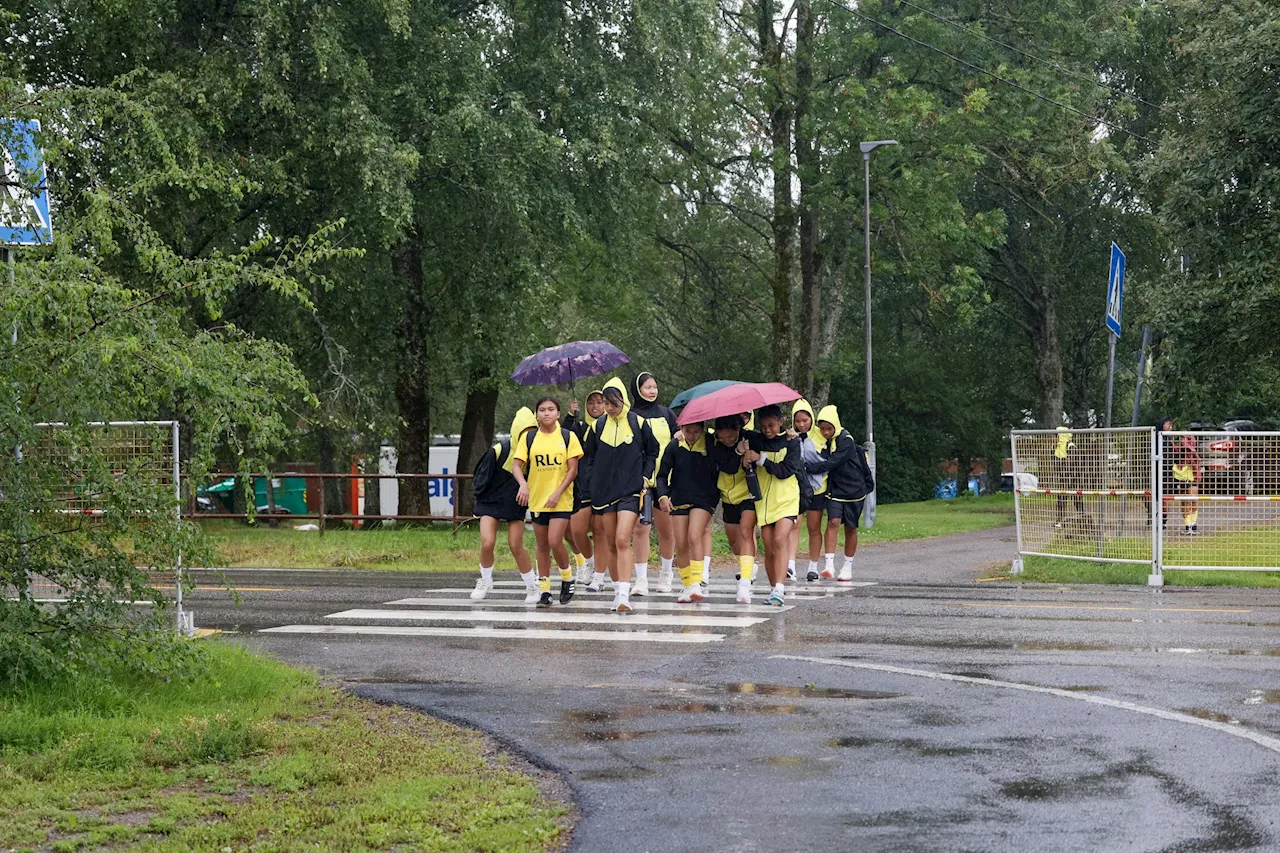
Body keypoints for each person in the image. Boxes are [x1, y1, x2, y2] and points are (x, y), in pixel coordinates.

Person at [583, 384, 660, 613]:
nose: (609, 407)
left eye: (613, 402)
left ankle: (625, 596)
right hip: (604, 494)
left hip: (631, 491)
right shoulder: (597, 426)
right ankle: (617, 591)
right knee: (610, 543)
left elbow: (653, 451)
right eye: (606, 403)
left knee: (622, 539)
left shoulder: (638, 423)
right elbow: (589, 458)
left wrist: (645, 476)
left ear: (623, 400)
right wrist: (592, 483)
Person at [512, 397, 583, 608]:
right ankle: (544, 590)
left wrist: (558, 492)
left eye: (551, 409)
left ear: (558, 414)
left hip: (561, 499)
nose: (546, 413)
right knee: (542, 545)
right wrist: (523, 484)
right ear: (536, 415)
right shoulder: (530, 438)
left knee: (554, 540)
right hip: (537, 498)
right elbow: (517, 465)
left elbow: (573, 470)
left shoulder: (567, 436)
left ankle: (567, 577)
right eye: (542, 410)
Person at [470, 407, 538, 602]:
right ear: (517, 431)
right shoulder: (500, 450)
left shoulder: (534, 456)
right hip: (490, 502)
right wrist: (480, 501)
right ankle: (485, 580)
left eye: (532, 432)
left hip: (515, 504)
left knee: (516, 545)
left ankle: (532, 587)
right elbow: (481, 477)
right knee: (487, 542)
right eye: (525, 432)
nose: (528, 437)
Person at [807, 405, 874, 582]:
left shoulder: (846, 441)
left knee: (851, 527)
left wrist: (810, 468)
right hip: (835, 489)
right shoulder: (827, 440)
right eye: (822, 429)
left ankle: (848, 566)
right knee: (833, 521)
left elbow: (832, 463)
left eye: (829, 428)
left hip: (854, 490)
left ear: (836, 425)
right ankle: (829, 565)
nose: (826, 432)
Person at [655, 419, 719, 603]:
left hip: (704, 500)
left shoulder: (711, 443)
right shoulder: (675, 445)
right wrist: (663, 496)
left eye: (696, 431)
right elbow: (661, 475)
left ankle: (697, 582)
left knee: (694, 536)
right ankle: (687, 585)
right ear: (681, 429)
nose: (692, 435)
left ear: (703, 430)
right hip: (679, 500)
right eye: (688, 431)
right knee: (681, 544)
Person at [631, 372, 679, 594]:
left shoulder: (666, 413)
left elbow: (678, 439)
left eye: (654, 387)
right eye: (647, 387)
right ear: (637, 390)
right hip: (641, 481)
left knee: (666, 530)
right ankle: (641, 579)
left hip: (665, 480)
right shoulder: (631, 416)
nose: (652, 391)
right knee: (640, 528)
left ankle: (666, 573)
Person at [710, 415, 758, 603]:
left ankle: (745, 582)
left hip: (748, 494)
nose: (726, 441)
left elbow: (771, 443)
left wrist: (788, 437)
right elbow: (727, 467)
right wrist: (737, 453)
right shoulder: (714, 444)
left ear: (738, 429)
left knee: (746, 532)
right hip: (727, 497)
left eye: (730, 437)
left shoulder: (751, 438)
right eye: (722, 438)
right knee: (734, 542)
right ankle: (748, 565)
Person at [565, 391, 606, 585]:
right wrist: (570, 415)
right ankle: (589, 562)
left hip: (603, 486)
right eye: (591, 403)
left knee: (599, 532)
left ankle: (599, 574)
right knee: (577, 531)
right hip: (581, 485)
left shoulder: (609, 427)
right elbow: (562, 438)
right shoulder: (579, 427)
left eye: (599, 402)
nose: (595, 406)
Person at [788, 399, 828, 583]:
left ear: (811, 418)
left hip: (818, 488)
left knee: (814, 527)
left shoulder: (821, 435)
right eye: (798, 421)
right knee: (794, 526)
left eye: (805, 420)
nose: (802, 424)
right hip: (797, 488)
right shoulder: (789, 436)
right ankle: (790, 566)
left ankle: (813, 567)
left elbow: (827, 462)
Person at [1165, 423, 1202, 535]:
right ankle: (1187, 525)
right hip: (1181, 473)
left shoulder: (1195, 446)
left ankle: (1194, 524)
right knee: (1185, 500)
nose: (1186, 439)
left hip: (1192, 472)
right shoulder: (1177, 447)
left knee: (1194, 498)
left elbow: (1196, 457)